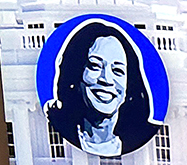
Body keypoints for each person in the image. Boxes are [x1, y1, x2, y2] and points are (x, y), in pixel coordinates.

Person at [48, 19, 157, 157]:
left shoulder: (144, 136)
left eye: (118, 70)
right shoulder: (56, 128)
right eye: (95, 66)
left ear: (130, 84)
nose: (106, 79)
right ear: (75, 73)